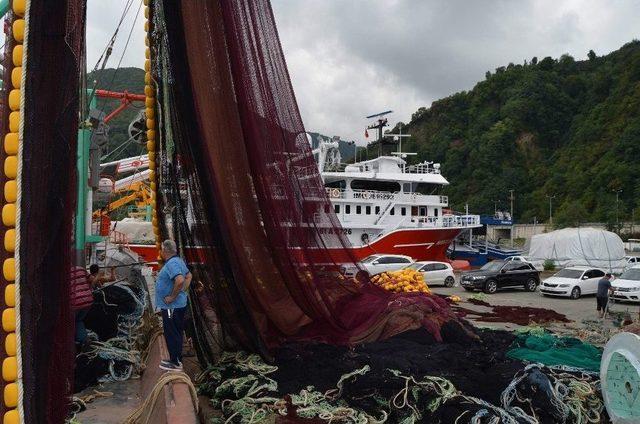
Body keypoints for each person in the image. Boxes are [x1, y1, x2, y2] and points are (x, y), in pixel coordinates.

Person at [156, 239, 192, 371]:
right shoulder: (179, 261)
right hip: (178, 305)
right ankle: (176, 359)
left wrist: (172, 297)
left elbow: (180, 279)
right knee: (176, 330)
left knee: (172, 332)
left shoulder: (172, 263)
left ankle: (175, 362)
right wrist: (182, 291)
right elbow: (189, 276)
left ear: (165, 251)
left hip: (172, 307)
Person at [70, 265, 94, 347]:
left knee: (70, 322)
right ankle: (84, 340)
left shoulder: (62, 274)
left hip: (75, 303)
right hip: (88, 301)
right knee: (78, 321)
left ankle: (71, 344)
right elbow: (91, 279)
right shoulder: (80, 268)